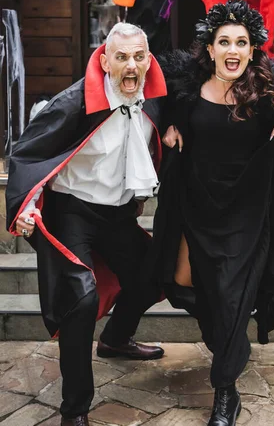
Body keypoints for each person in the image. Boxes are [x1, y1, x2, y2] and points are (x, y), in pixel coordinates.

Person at [151, 0, 274, 426]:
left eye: (241, 43)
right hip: (196, 204)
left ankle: (225, 392)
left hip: (247, 208)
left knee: (230, 295)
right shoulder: (186, 89)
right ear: (209, 48)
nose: (233, 49)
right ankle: (227, 342)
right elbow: (151, 93)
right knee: (185, 284)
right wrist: (169, 125)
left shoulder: (266, 89)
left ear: (252, 50)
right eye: (224, 41)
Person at [6, 23, 168, 426]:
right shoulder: (72, 102)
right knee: (80, 299)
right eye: (121, 57)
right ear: (104, 59)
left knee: (155, 273)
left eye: (139, 57)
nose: (131, 66)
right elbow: (26, 153)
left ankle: (115, 340)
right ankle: (74, 410)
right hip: (71, 210)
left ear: (149, 60)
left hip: (116, 213)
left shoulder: (155, 99)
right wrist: (25, 206)